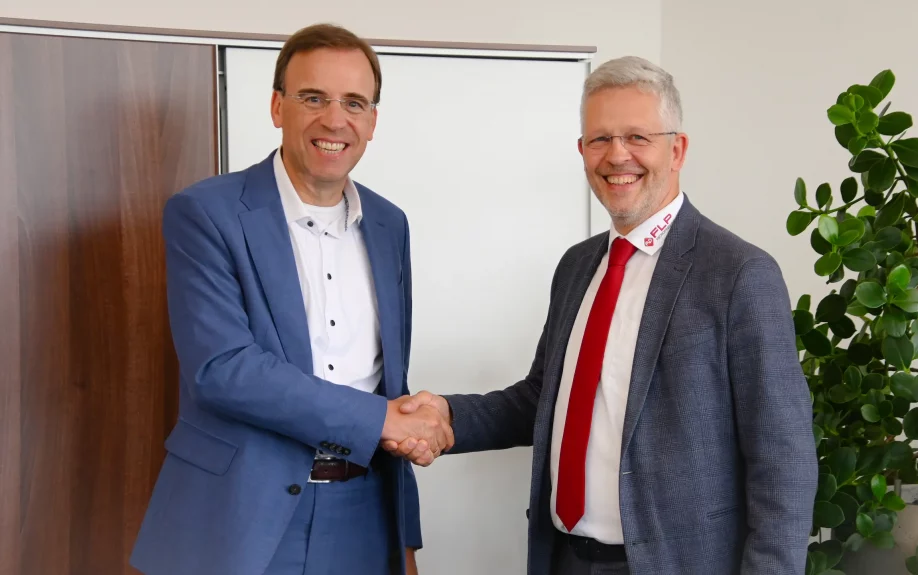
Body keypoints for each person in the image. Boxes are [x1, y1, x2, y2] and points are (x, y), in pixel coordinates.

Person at [386, 56, 818, 574]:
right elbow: (542, 399)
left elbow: (784, 461)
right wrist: (446, 416)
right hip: (565, 559)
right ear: (582, 151)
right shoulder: (577, 267)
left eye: (637, 137)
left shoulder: (739, 273)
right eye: (600, 139)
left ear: (677, 149)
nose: (617, 155)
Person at [129, 23, 452, 575]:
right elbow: (224, 369)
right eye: (313, 98)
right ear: (278, 106)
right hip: (240, 516)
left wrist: (406, 536)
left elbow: (389, 385)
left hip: (366, 515)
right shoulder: (206, 213)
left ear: (372, 122)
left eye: (354, 103)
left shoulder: (389, 224)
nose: (335, 119)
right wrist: (379, 420)